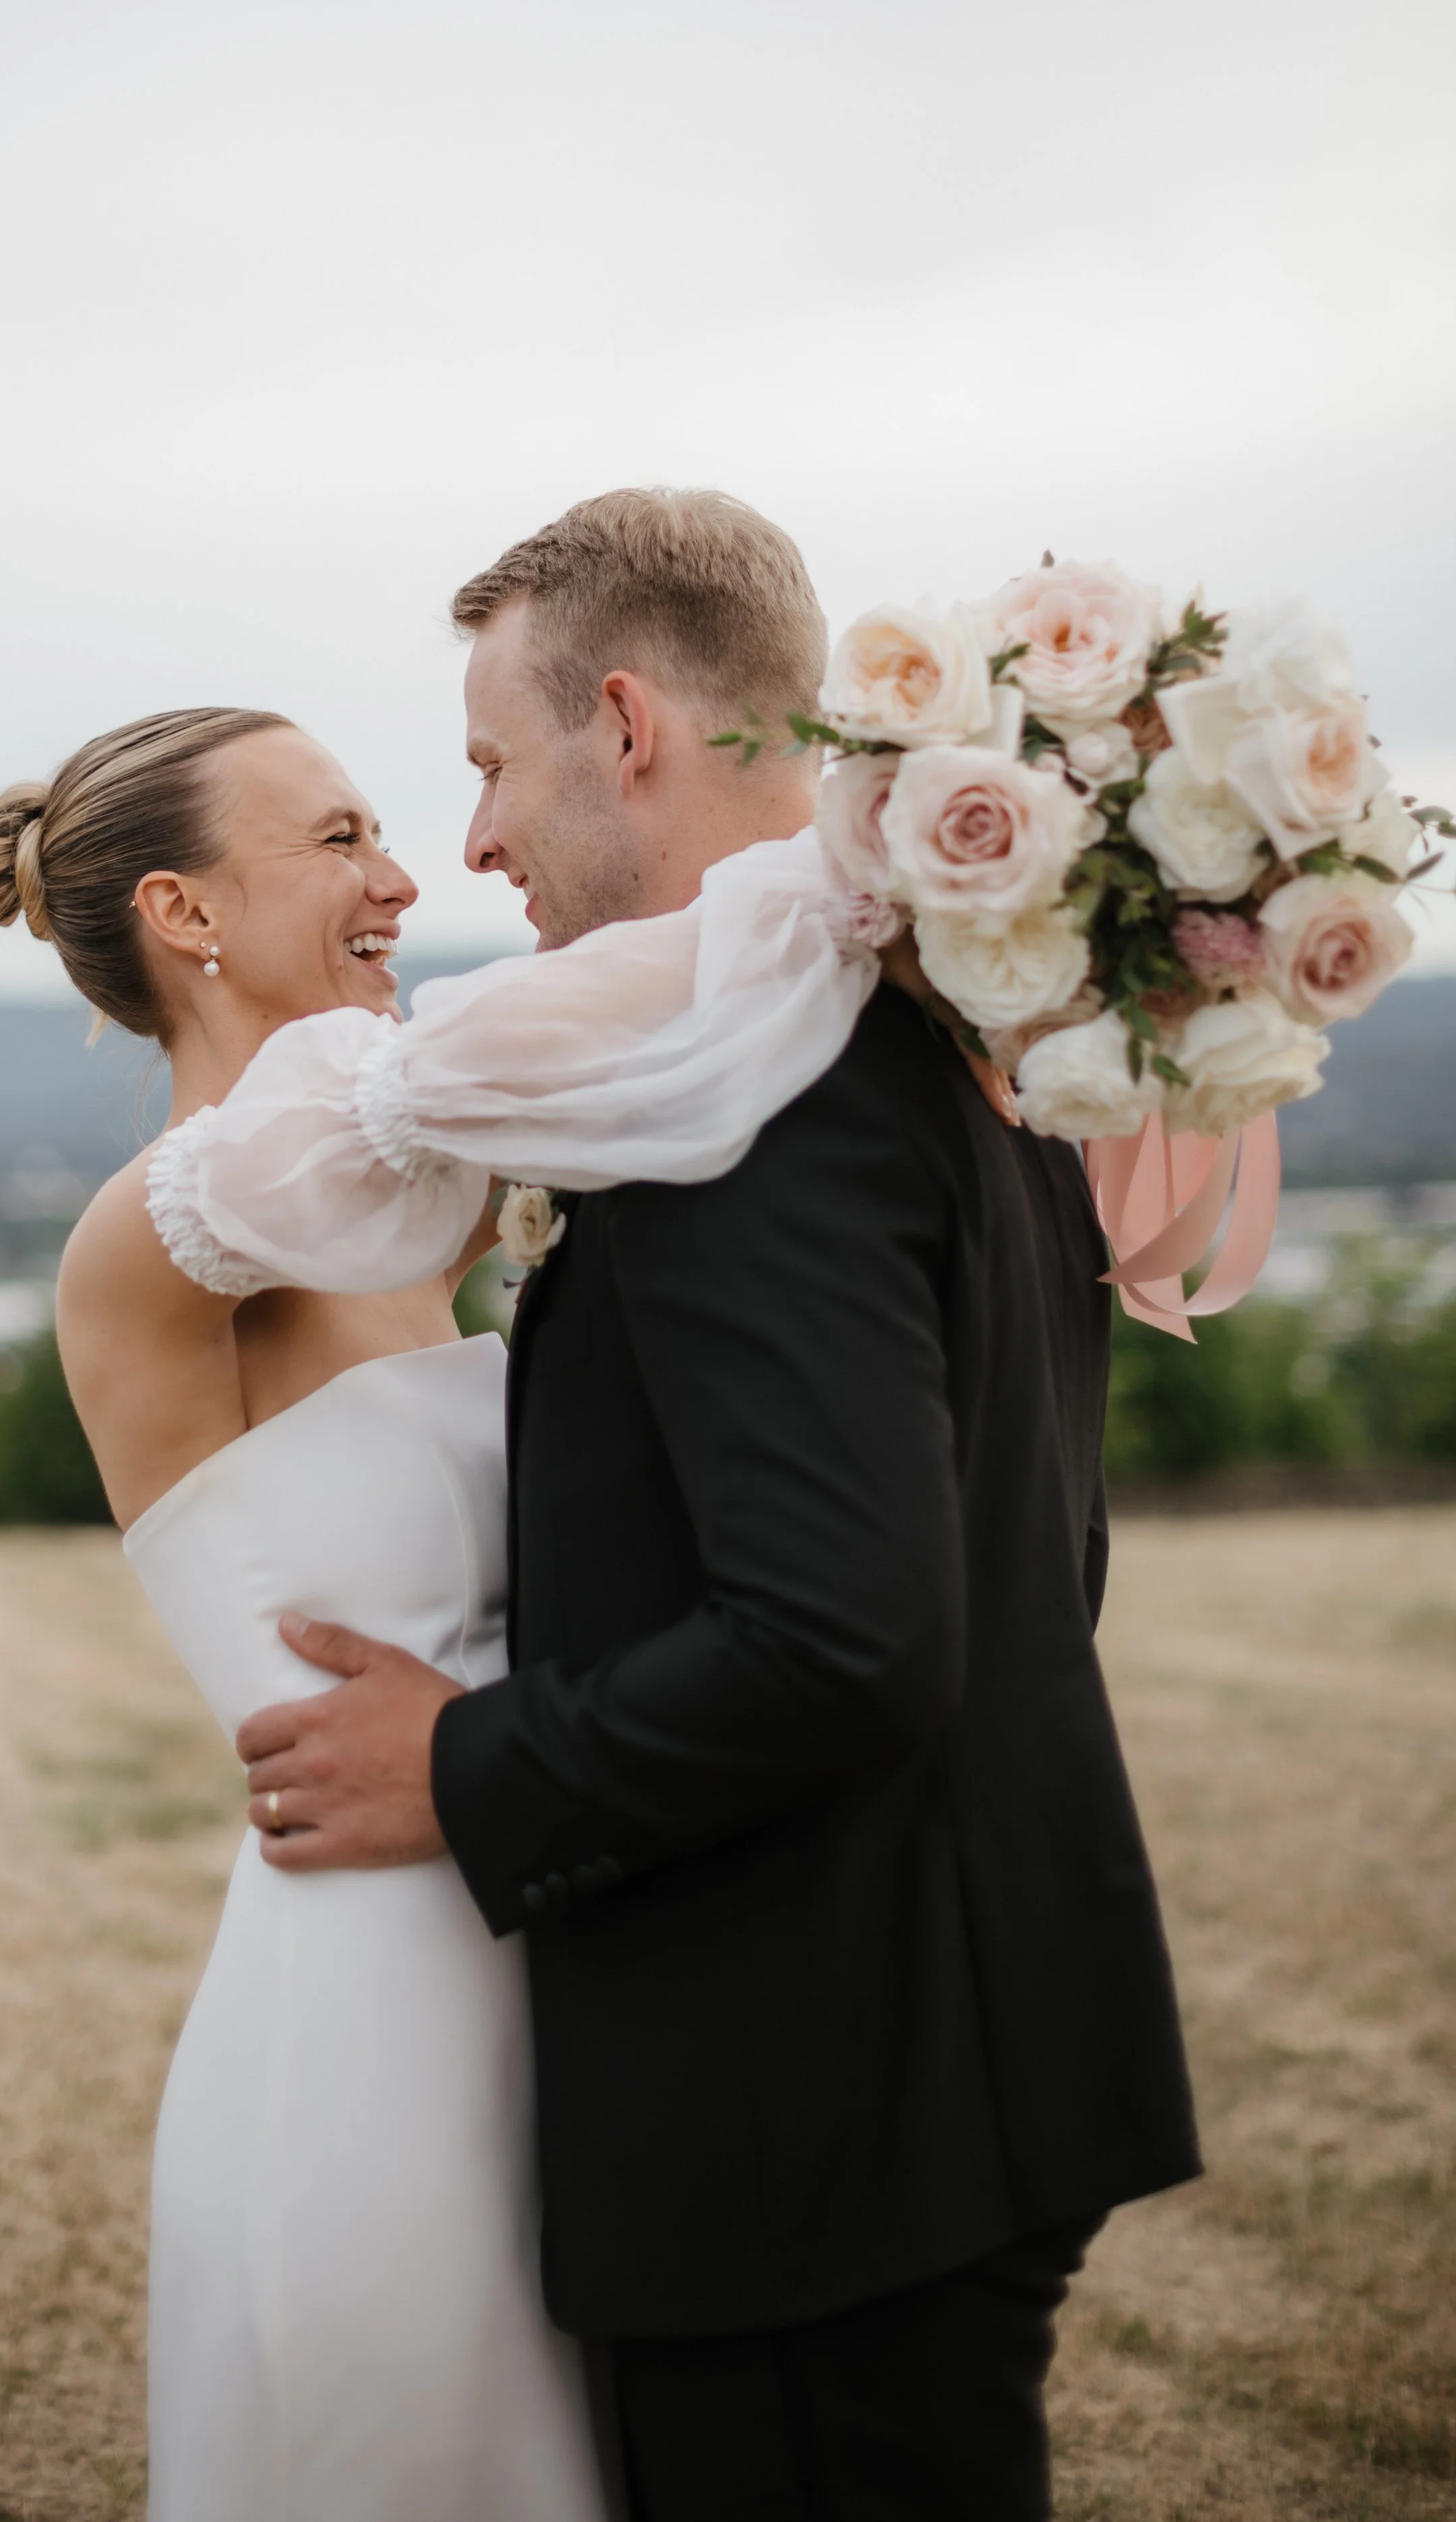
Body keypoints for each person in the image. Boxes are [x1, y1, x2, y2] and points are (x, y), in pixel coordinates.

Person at [162, 490, 1202, 2522]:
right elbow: (1042, 1547)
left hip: (824, 2112)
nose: (469, 844)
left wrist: (468, 1761)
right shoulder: (931, 1035)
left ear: (621, 723)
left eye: (484, 764)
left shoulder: (749, 1113)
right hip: (942, 2050)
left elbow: (847, 1632)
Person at [0, 711, 617, 2522]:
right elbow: (325, 1146)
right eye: (337, 838)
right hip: (366, 2016)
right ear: (181, 909)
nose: (400, 878)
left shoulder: (427, 1209)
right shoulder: (161, 1239)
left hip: (548, 1933)